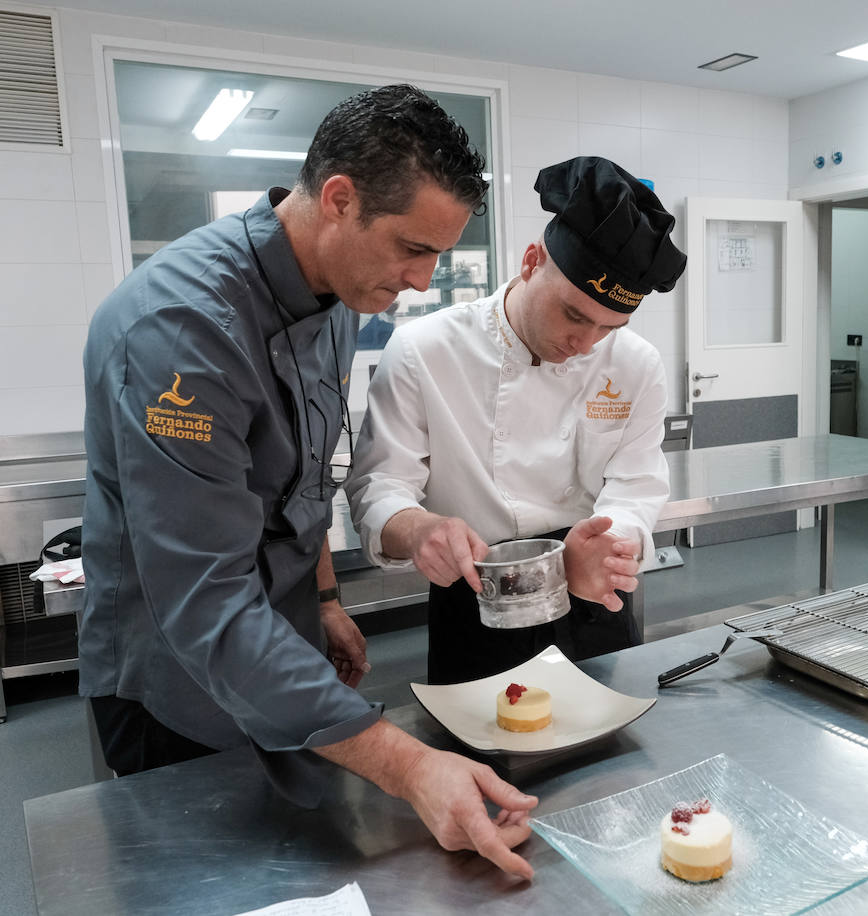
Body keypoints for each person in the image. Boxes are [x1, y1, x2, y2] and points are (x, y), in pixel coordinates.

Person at [78, 84, 537, 880]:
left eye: (438, 254)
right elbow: (205, 603)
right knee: (206, 884)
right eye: (412, 248)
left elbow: (305, 472)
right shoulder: (182, 331)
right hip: (177, 683)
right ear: (338, 199)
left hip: (281, 647)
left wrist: (322, 597)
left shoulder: (337, 296)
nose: (424, 281)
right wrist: (408, 765)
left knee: (300, 874)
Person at [346, 156, 687, 684]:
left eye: (607, 327)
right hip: (476, 593)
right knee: (478, 752)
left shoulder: (636, 363)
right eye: (573, 314)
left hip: (589, 590)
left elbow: (636, 487)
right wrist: (418, 530)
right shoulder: (424, 350)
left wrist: (609, 546)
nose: (584, 343)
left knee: (610, 754)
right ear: (531, 261)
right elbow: (379, 485)